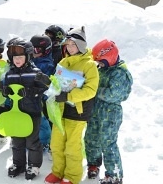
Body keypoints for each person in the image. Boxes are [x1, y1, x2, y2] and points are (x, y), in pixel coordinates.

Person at [44, 26, 99, 184]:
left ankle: (72, 177)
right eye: (67, 45)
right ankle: (58, 172)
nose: (69, 48)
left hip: (78, 112)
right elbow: (57, 82)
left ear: (81, 45)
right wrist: (50, 86)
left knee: (72, 147)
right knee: (56, 144)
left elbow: (90, 90)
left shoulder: (89, 65)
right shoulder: (63, 62)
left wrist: (68, 95)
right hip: (60, 110)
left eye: (73, 44)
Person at [0, 37, 50, 180]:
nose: (17, 60)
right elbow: (7, 91)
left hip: (32, 111)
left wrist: (33, 90)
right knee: (17, 140)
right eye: (15, 57)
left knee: (32, 141)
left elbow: (46, 88)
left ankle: (33, 165)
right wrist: (4, 90)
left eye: (20, 57)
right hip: (16, 113)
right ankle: (18, 164)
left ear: (27, 56)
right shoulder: (10, 73)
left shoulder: (35, 72)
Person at [84, 39, 133, 184]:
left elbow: (113, 94)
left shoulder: (120, 73)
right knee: (91, 138)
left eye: (100, 61)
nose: (98, 64)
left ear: (110, 56)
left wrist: (93, 90)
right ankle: (93, 163)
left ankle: (114, 175)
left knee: (108, 142)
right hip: (95, 111)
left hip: (110, 114)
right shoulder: (102, 69)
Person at [30, 34, 55, 157]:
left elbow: (48, 83)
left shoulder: (47, 64)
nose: (34, 52)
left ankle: (45, 142)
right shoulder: (32, 61)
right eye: (32, 49)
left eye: (37, 50)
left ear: (46, 50)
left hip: (43, 98)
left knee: (43, 121)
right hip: (31, 97)